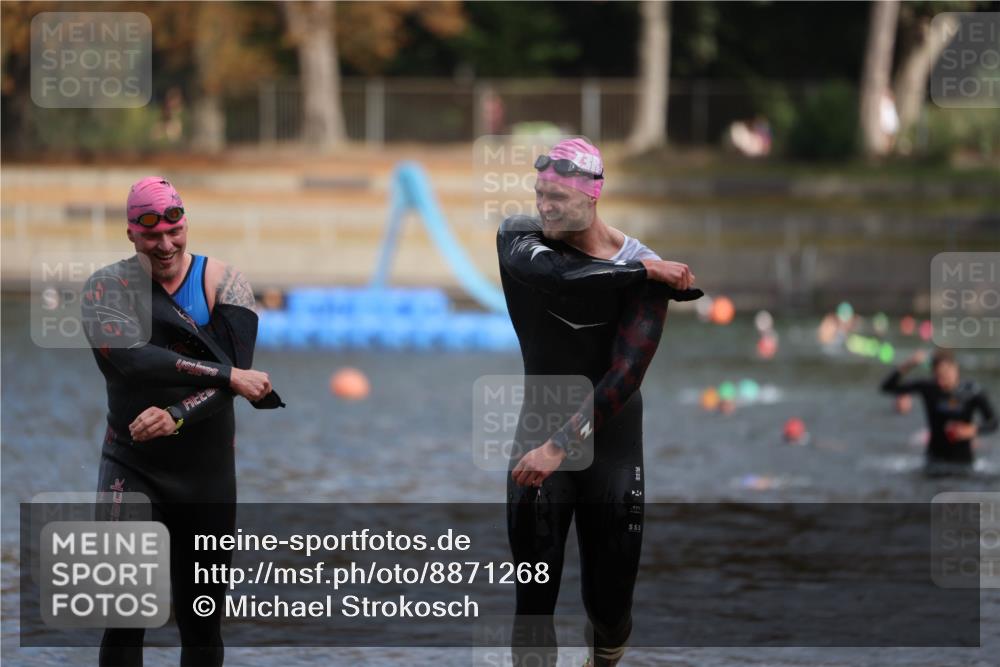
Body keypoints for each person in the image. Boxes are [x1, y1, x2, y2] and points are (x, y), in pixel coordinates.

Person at [497, 138, 702, 666]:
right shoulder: (520, 237)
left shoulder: (641, 263)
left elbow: (625, 374)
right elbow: (558, 279)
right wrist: (645, 273)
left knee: (610, 610)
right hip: (534, 441)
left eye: (557, 197)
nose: (544, 206)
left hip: (609, 448)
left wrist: (561, 446)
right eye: (540, 192)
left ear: (593, 196)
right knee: (534, 602)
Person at [81, 177, 280, 666]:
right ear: (131, 234)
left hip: (207, 476)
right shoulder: (106, 288)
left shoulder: (226, 284)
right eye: (151, 235)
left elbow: (227, 389)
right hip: (131, 468)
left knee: (202, 627)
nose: (165, 244)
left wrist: (177, 415)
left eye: (175, 230)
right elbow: (134, 360)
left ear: (185, 224)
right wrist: (230, 374)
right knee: (124, 621)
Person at [880, 349, 997, 474]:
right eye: (937, 377)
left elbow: (993, 422)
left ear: (955, 368)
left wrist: (973, 430)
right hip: (934, 462)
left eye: (945, 375)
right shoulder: (929, 388)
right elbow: (887, 387)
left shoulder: (973, 392)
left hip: (964, 465)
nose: (941, 382)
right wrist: (909, 364)